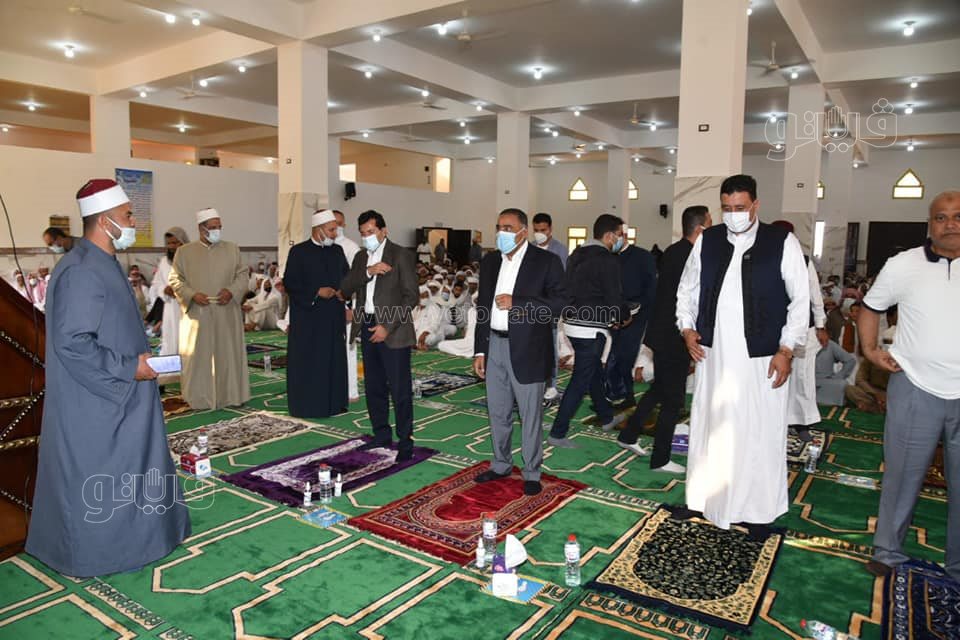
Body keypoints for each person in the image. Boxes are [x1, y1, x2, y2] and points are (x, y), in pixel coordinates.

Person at [26, 178, 190, 577]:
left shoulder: (101, 261)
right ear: (104, 221)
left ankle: (146, 537)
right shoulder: (81, 270)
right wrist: (128, 367)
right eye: (127, 215)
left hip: (123, 390)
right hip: (100, 397)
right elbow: (73, 343)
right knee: (104, 477)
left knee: (135, 469)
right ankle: (102, 552)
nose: (133, 221)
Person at [676, 174, 809, 533]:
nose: (733, 214)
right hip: (714, 355)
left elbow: (800, 301)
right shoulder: (708, 240)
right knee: (714, 428)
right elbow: (687, 291)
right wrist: (687, 328)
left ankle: (756, 507)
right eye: (727, 207)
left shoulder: (781, 241)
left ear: (755, 205)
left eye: (740, 207)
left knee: (757, 431)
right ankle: (710, 500)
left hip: (762, 357)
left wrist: (786, 349)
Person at [859, 190, 960, 582]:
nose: (950, 224)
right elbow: (871, 307)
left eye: (957, 216)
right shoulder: (904, 264)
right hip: (916, 385)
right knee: (901, 476)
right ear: (929, 225)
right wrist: (870, 350)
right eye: (941, 217)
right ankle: (888, 551)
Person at [474, 208, 567, 495]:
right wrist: (480, 351)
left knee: (530, 415)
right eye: (499, 227)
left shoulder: (546, 261)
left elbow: (560, 304)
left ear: (523, 232)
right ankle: (501, 464)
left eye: (508, 228)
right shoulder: (491, 261)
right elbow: (483, 307)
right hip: (494, 345)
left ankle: (531, 471)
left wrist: (520, 303)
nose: (501, 233)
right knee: (498, 412)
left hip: (529, 348)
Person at [617, 205, 712, 473]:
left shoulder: (674, 250)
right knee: (673, 400)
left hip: (662, 332)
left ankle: (629, 434)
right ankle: (660, 459)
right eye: (709, 224)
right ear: (700, 229)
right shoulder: (690, 255)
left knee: (659, 388)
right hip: (674, 336)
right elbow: (688, 300)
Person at [340, 210, 419, 460]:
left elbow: (411, 297)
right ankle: (381, 434)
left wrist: (387, 326)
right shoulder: (361, 257)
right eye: (363, 233)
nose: (367, 237)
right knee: (374, 386)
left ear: (384, 231)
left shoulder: (401, 254)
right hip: (367, 324)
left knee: (399, 389)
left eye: (371, 232)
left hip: (393, 329)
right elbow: (345, 288)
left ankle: (405, 442)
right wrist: (368, 272)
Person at [549, 214, 631, 448]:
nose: (622, 239)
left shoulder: (576, 254)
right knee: (580, 380)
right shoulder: (607, 260)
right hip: (591, 328)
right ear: (609, 236)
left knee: (593, 371)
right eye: (620, 235)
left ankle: (606, 417)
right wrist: (623, 316)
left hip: (572, 325)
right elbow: (613, 295)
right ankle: (557, 433)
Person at [169, 208, 250, 410]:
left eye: (219, 227)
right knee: (198, 358)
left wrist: (231, 291)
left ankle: (231, 395)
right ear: (201, 228)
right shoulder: (184, 252)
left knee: (228, 355)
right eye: (212, 227)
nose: (217, 231)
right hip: (198, 314)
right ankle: (198, 398)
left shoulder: (232, 249)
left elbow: (242, 276)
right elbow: (175, 280)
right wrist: (192, 295)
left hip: (226, 312)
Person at [282, 210, 350, 418]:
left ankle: (334, 404)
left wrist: (344, 291)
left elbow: (346, 277)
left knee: (333, 360)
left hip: (333, 317)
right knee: (310, 363)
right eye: (331, 230)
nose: (334, 234)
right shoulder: (299, 252)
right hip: (308, 319)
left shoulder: (337, 251)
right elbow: (290, 283)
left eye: (335, 230)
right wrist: (316, 292)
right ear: (317, 229)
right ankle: (309, 406)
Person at [771, 220, 829, 443]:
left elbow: (814, 294)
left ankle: (801, 422)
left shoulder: (804, 261)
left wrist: (821, 325)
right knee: (775, 375)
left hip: (803, 328)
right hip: (775, 328)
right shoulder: (766, 257)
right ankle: (776, 420)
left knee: (802, 377)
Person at [604, 224, 657, 407]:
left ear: (624, 235)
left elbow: (651, 290)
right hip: (613, 316)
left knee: (625, 356)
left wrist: (635, 312)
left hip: (637, 317)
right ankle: (614, 393)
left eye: (618, 235)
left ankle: (626, 395)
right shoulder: (607, 257)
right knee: (614, 355)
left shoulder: (643, 257)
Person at [332, 210, 362, 402]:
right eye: (333, 223)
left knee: (349, 349)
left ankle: (351, 391)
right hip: (326, 308)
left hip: (347, 307)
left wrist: (353, 309)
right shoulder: (322, 247)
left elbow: (358, 280)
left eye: (339, 223)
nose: (337, 227)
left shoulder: (351, 247)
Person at [149, 227, 188, 356]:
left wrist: (181, 290)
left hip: (188, 308)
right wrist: (165, 289)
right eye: (169, 243)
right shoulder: (164, 262)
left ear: (183, 242)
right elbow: (156, 283)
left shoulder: (192, 260)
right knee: (170, 343)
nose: (171, 246)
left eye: (175, 243)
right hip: (170, 308)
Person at [815, 340, 857, 406]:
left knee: (842, 384)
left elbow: (850, 360)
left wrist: (838, 376)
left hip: (827, 381)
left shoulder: (829, 344)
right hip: (805, 382)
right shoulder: (800, 343)